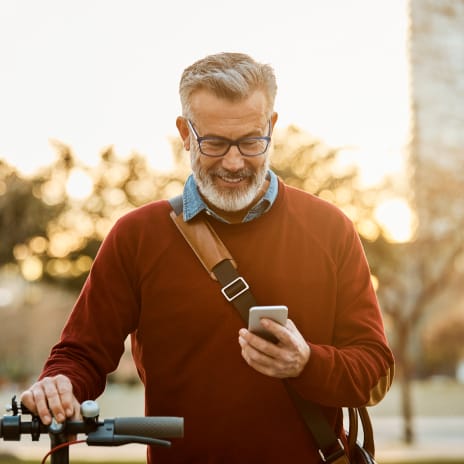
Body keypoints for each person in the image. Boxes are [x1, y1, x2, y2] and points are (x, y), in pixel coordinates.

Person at [21, 52, 394, 463]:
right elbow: (80, 355)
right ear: (184, 132)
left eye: (251, 141)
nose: (233, 163)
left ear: (271, 126)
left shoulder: (331, 229)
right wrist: (57, 385)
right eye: (213, 142)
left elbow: (374, 371)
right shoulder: (136, 237)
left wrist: (307, 363)